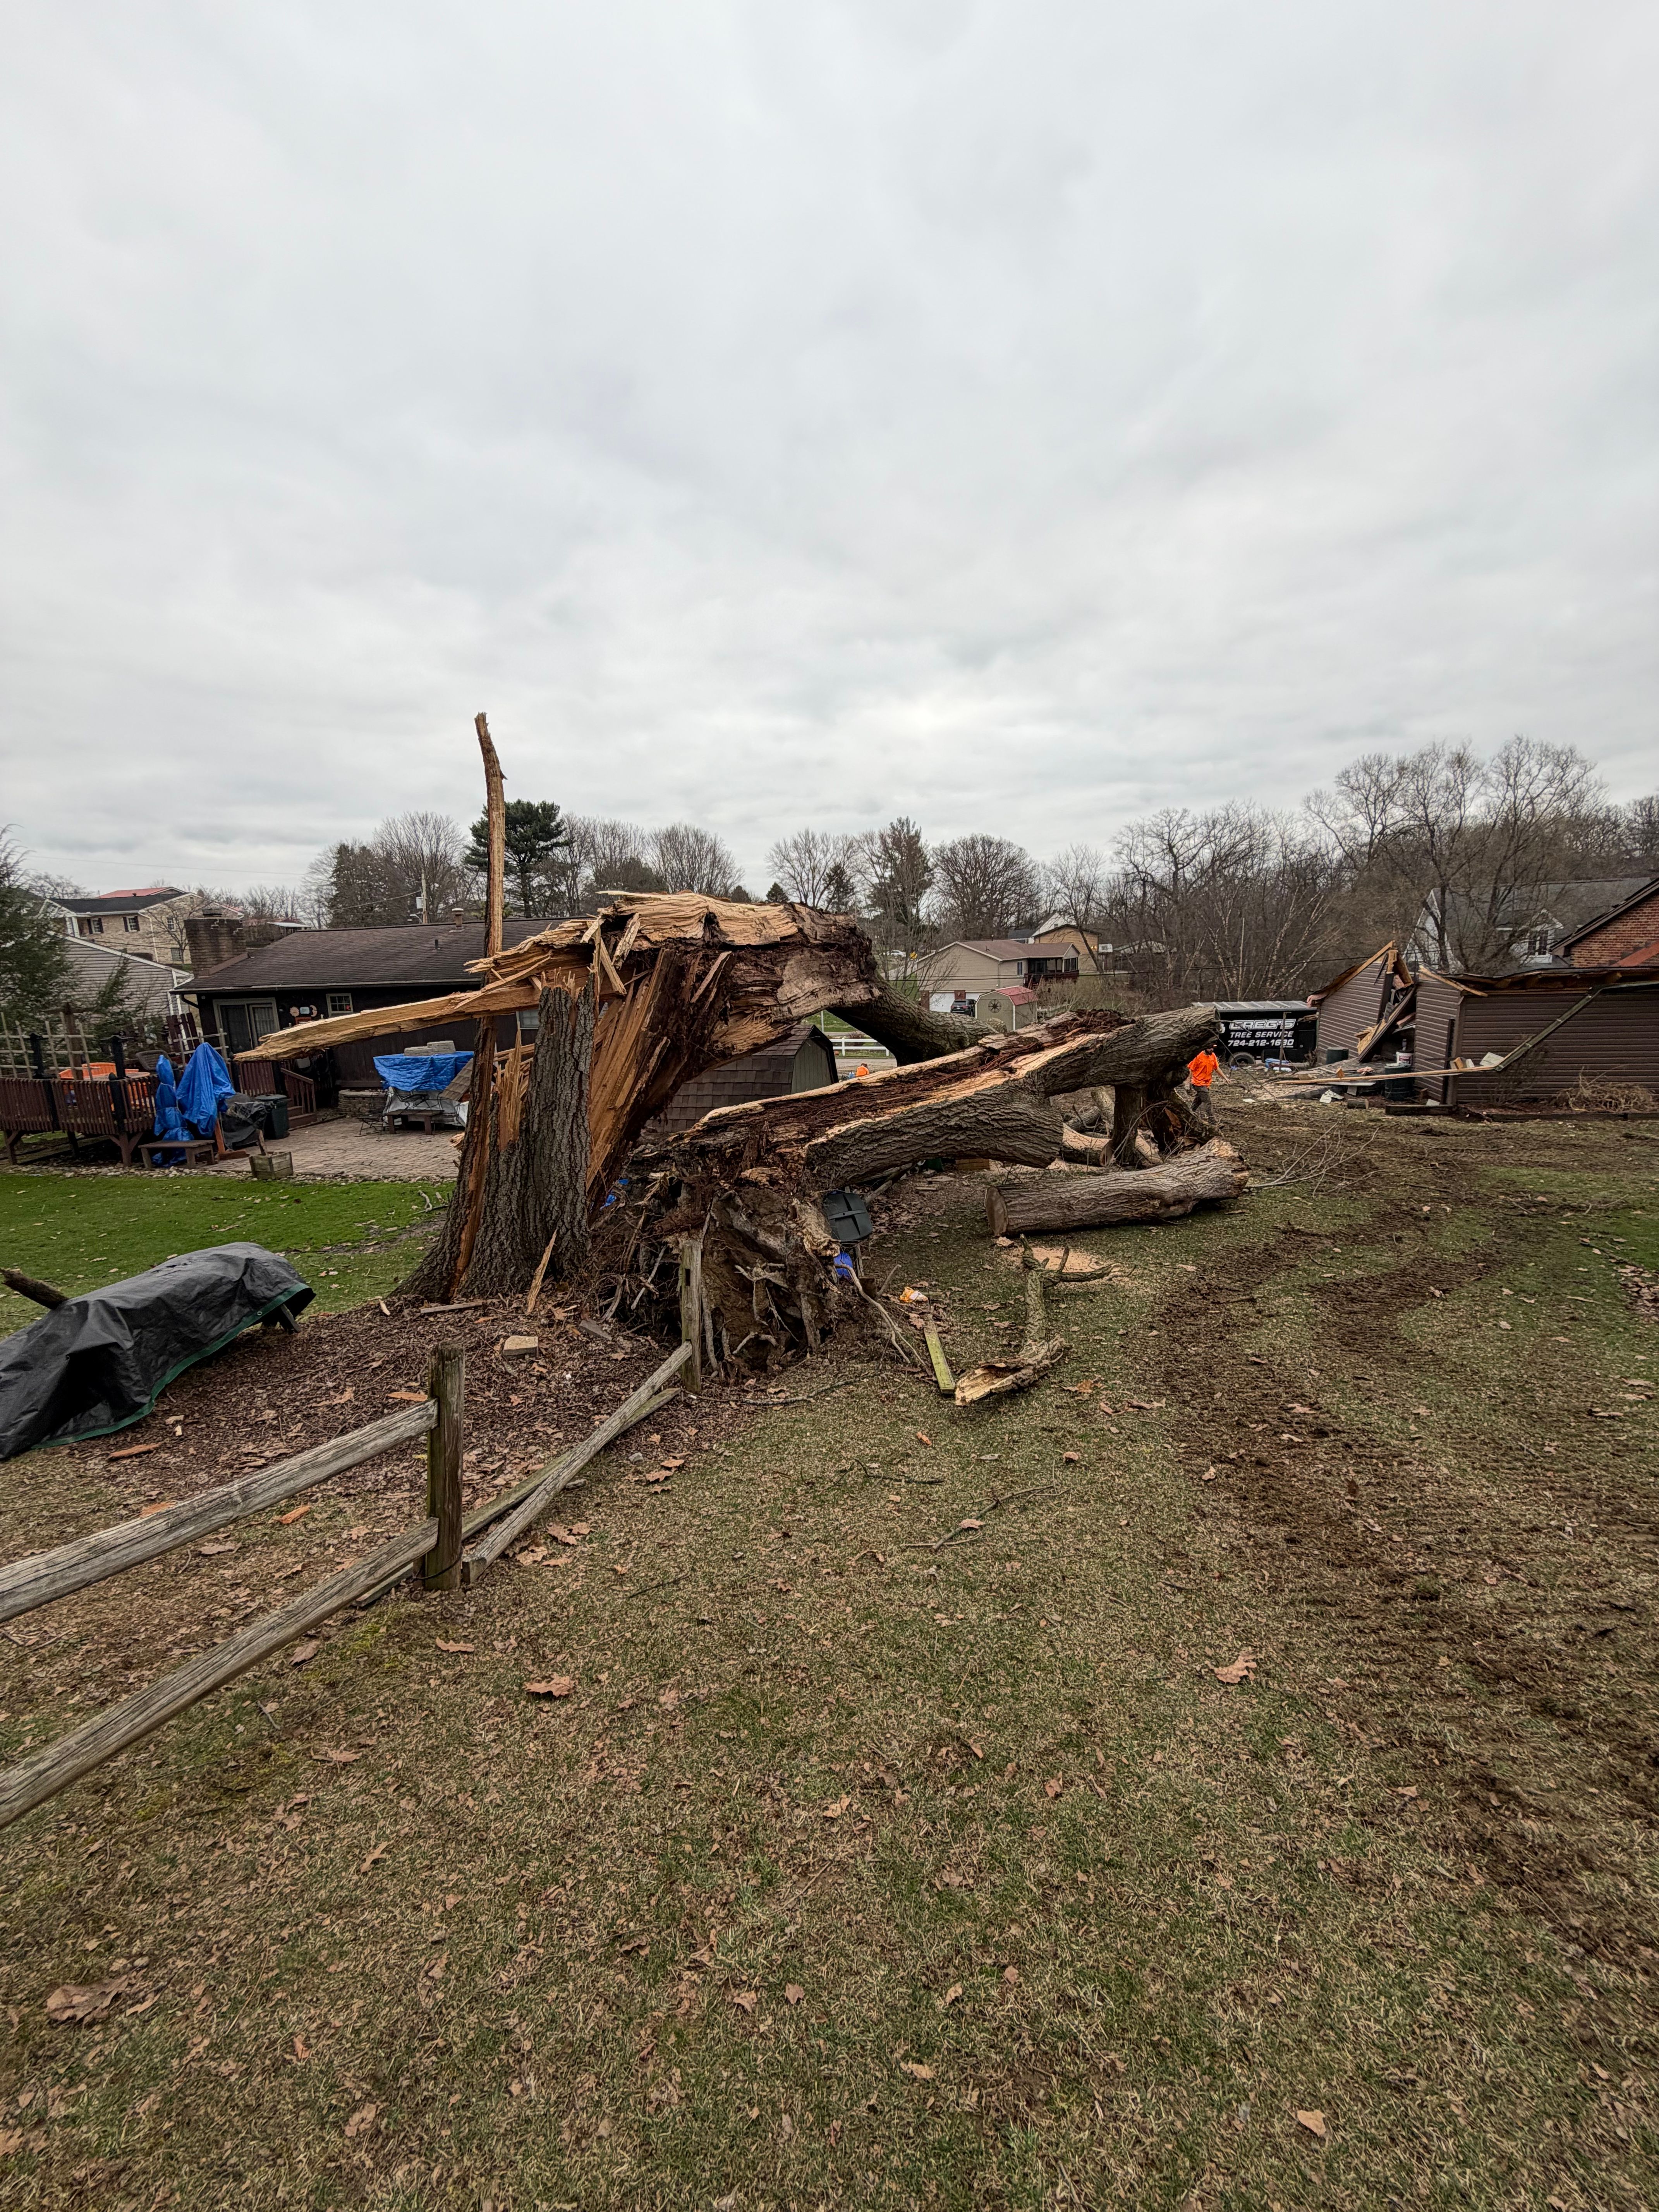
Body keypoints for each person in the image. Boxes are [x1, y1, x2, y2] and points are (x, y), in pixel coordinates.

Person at [1187, 1045, 1220, 1127]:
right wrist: (1188, 1083)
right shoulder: (1198, 1056)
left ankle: (1190, 1113)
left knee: (1198, 1100)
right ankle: (1213, 1121)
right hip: (1198, 1083)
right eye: (1210, 1048)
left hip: (1206, 1083)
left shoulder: (1213, 1056)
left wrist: (1225, 1078)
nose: (1212, 1050)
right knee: (1207, 1101)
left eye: (1213, 1048)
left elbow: (1217, 1068)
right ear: (1205, 1048)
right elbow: (1191, 1068)